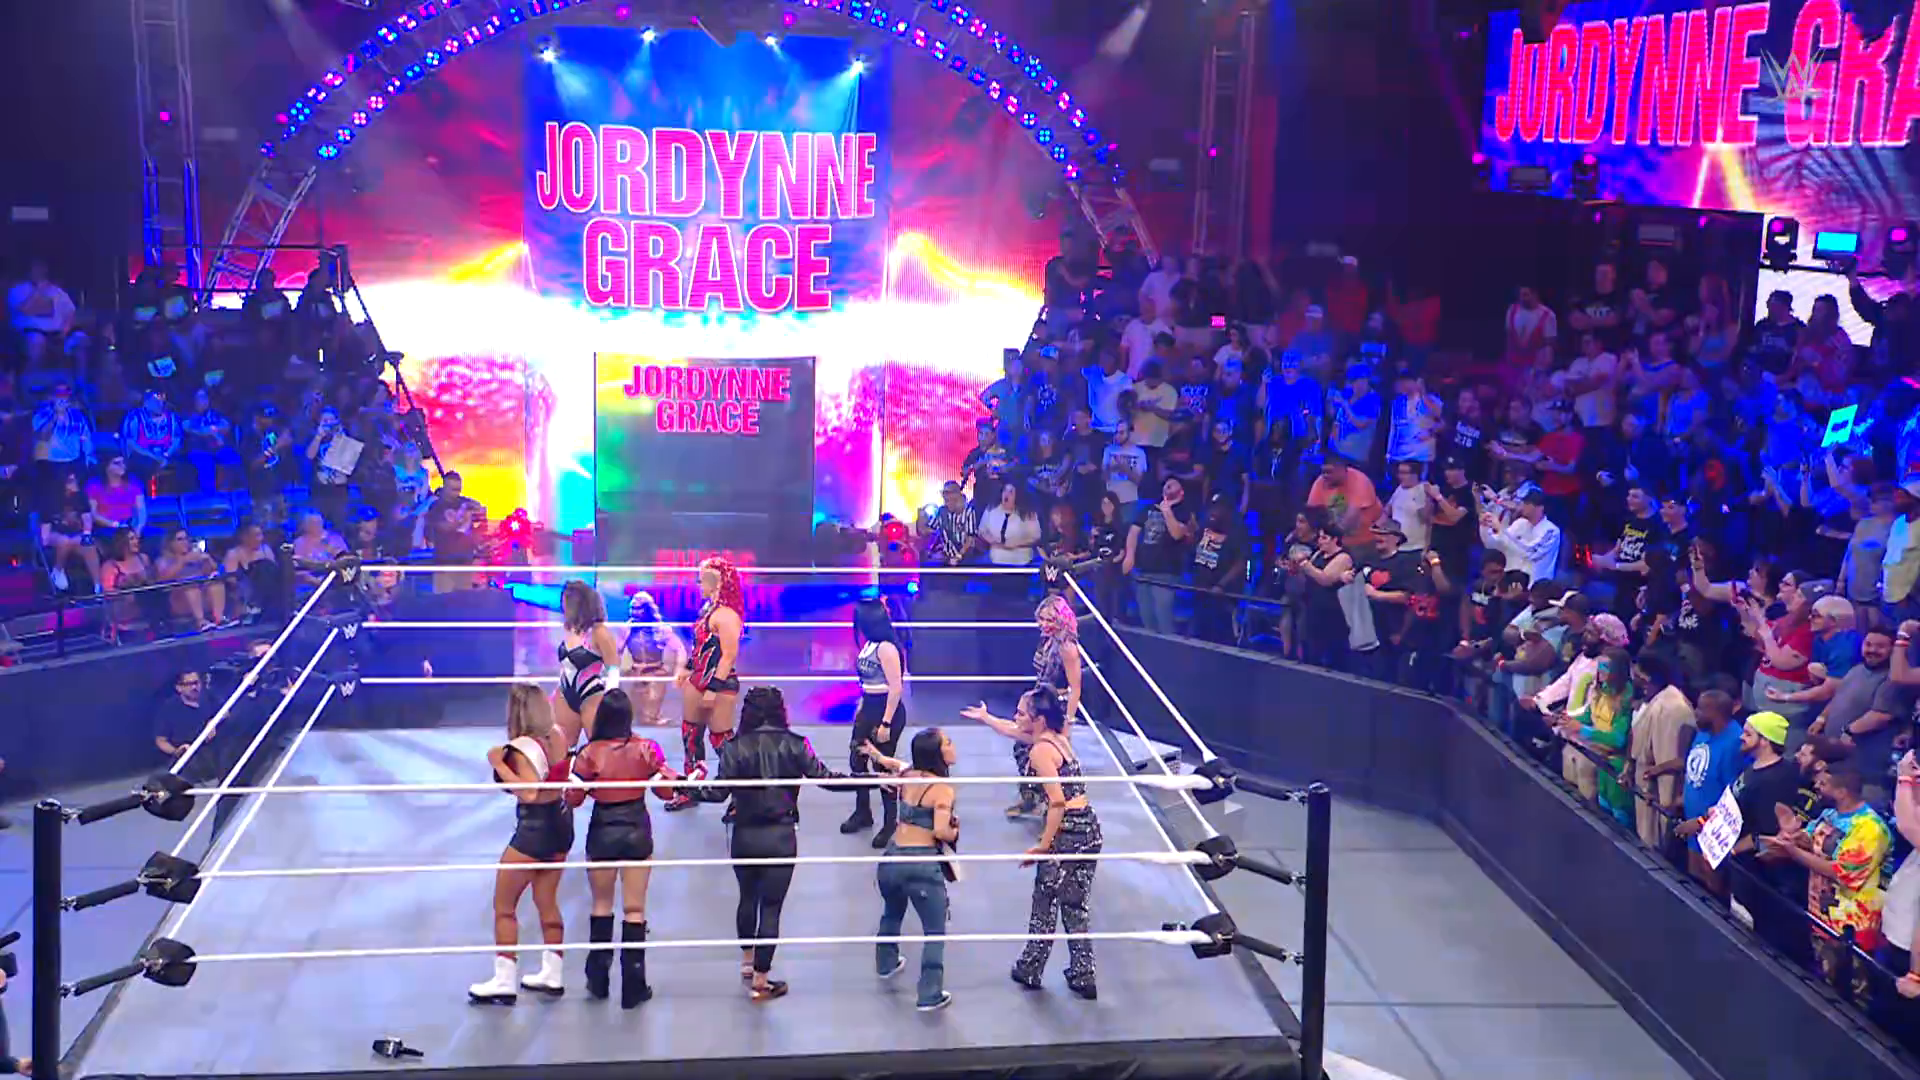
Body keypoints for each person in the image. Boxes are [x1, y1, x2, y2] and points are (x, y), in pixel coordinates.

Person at [702, 686, 855, 1001]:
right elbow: (826, 779)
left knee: (747, 898)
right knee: (771, 908)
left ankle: (747, 963)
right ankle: (761, 980)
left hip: (745, 834)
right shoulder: (796, 744)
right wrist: (870, 781)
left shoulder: (733, 748)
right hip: (780, 835)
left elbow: (717, 793)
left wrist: (682, 786)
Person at [970, 686, 1101, 999]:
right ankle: (1083, 973)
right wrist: (987, 718)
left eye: (1021, 713)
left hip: (1067, 831)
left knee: (1045, 901)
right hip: (1089, 829)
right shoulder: (1057, 739)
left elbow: (1056, 802)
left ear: (1038, 719)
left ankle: (1030, 968)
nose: (1016, 717)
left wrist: (1043, 845)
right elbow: (1012, 730)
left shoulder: (1040, 752)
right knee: (1075, 904)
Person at [566, 689, 678, 1008]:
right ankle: (633, 986)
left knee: (601, 905)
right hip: (635, 828)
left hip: (603, 829)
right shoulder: (646, 748)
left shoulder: (589, 753)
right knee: (635, 909)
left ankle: (598, 981)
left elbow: (573, 799)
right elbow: (666, 793)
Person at [470, 684, 575, 1004]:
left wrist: (499, 764)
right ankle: (553, 973)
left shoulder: (521, 748)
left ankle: (504, 980)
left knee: (504, 906)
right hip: (561, 822)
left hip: (534, 828)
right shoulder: (558, 735)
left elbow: (529, 792)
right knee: (547, 900)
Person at [1761, 764, 1892, 1008]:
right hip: (1821, 917)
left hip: (1852, 928)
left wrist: (1793, 852)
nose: (1817, 787)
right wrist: (1792, 836)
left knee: (1853, 997)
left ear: (1842, 792)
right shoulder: (1829, 815)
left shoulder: (1870, 829)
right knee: (1825, 987)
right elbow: (1810, 839)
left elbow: (1840, 873)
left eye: (1823, 784)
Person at [860, 727, 961, 1011]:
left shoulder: (908, 776)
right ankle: (930, 993)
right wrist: (954, 830)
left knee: (892, 911)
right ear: (936, 753)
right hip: (921, 864)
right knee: (935, 930)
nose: (953, 746)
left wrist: (876, 755)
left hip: (892, 859)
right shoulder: (942, 789)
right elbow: (940, 831)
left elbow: (895, 764)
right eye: (948, 742)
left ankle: (886, 963)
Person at [667, 556, 746, 811]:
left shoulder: (727, 616)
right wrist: (687, 668)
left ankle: (742, 796)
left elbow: (728, 656)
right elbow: (701, 648)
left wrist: (714, 688)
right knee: (690, 735)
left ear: (717, 582)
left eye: (702, 580)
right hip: (698, 678)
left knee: (722, 740)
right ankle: (692, 789)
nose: (699, 584)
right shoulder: (707, 610)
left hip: (719, 683)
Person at [842, 599, 907, 847]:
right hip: (869, 706)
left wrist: (886, 723)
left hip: (885, 710)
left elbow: (896, 687)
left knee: (882, 766)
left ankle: (890, 823)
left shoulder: (887, 648)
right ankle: (863, 812)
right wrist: (861, 708)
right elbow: (867, 683)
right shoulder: (869, 645)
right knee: (857, 759)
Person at [554, 580, 622, 750]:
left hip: (591, 694)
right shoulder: (569, 629)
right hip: (564, 693)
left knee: (601, 747)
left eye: (565, 601)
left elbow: (613, 668)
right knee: (561, 746)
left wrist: (611, 699)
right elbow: (567, 665)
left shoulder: (600, 632)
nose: (562, 606)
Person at [619, 591, 684, 726]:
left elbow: (680, 649)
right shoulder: (627, 628)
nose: (634, 612)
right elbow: (615, 651)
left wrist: (678, 672)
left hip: (656, 672)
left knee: (649, 717)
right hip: (635, 673)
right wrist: (613, 673)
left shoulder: (661, 629)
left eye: (638, 608)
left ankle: (655, 719)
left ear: (647, 610)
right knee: (636, 718)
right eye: (632, 608)